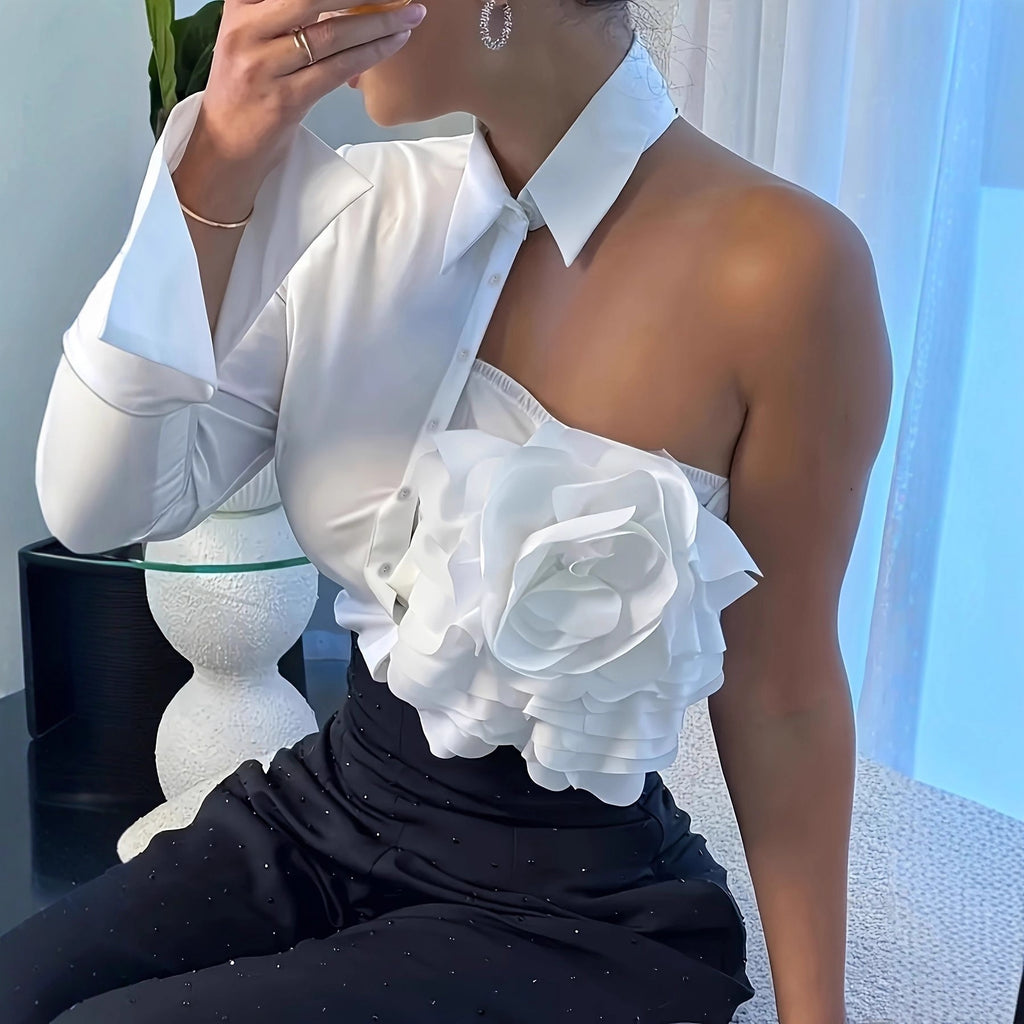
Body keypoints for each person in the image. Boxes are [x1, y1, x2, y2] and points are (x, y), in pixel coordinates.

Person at [1, 0, 891, 1020]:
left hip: (569, 903)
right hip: (325, 809)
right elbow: (98, 505)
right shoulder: (356, 214)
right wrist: (213, 169)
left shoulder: (784, 268)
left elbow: (782, 692)